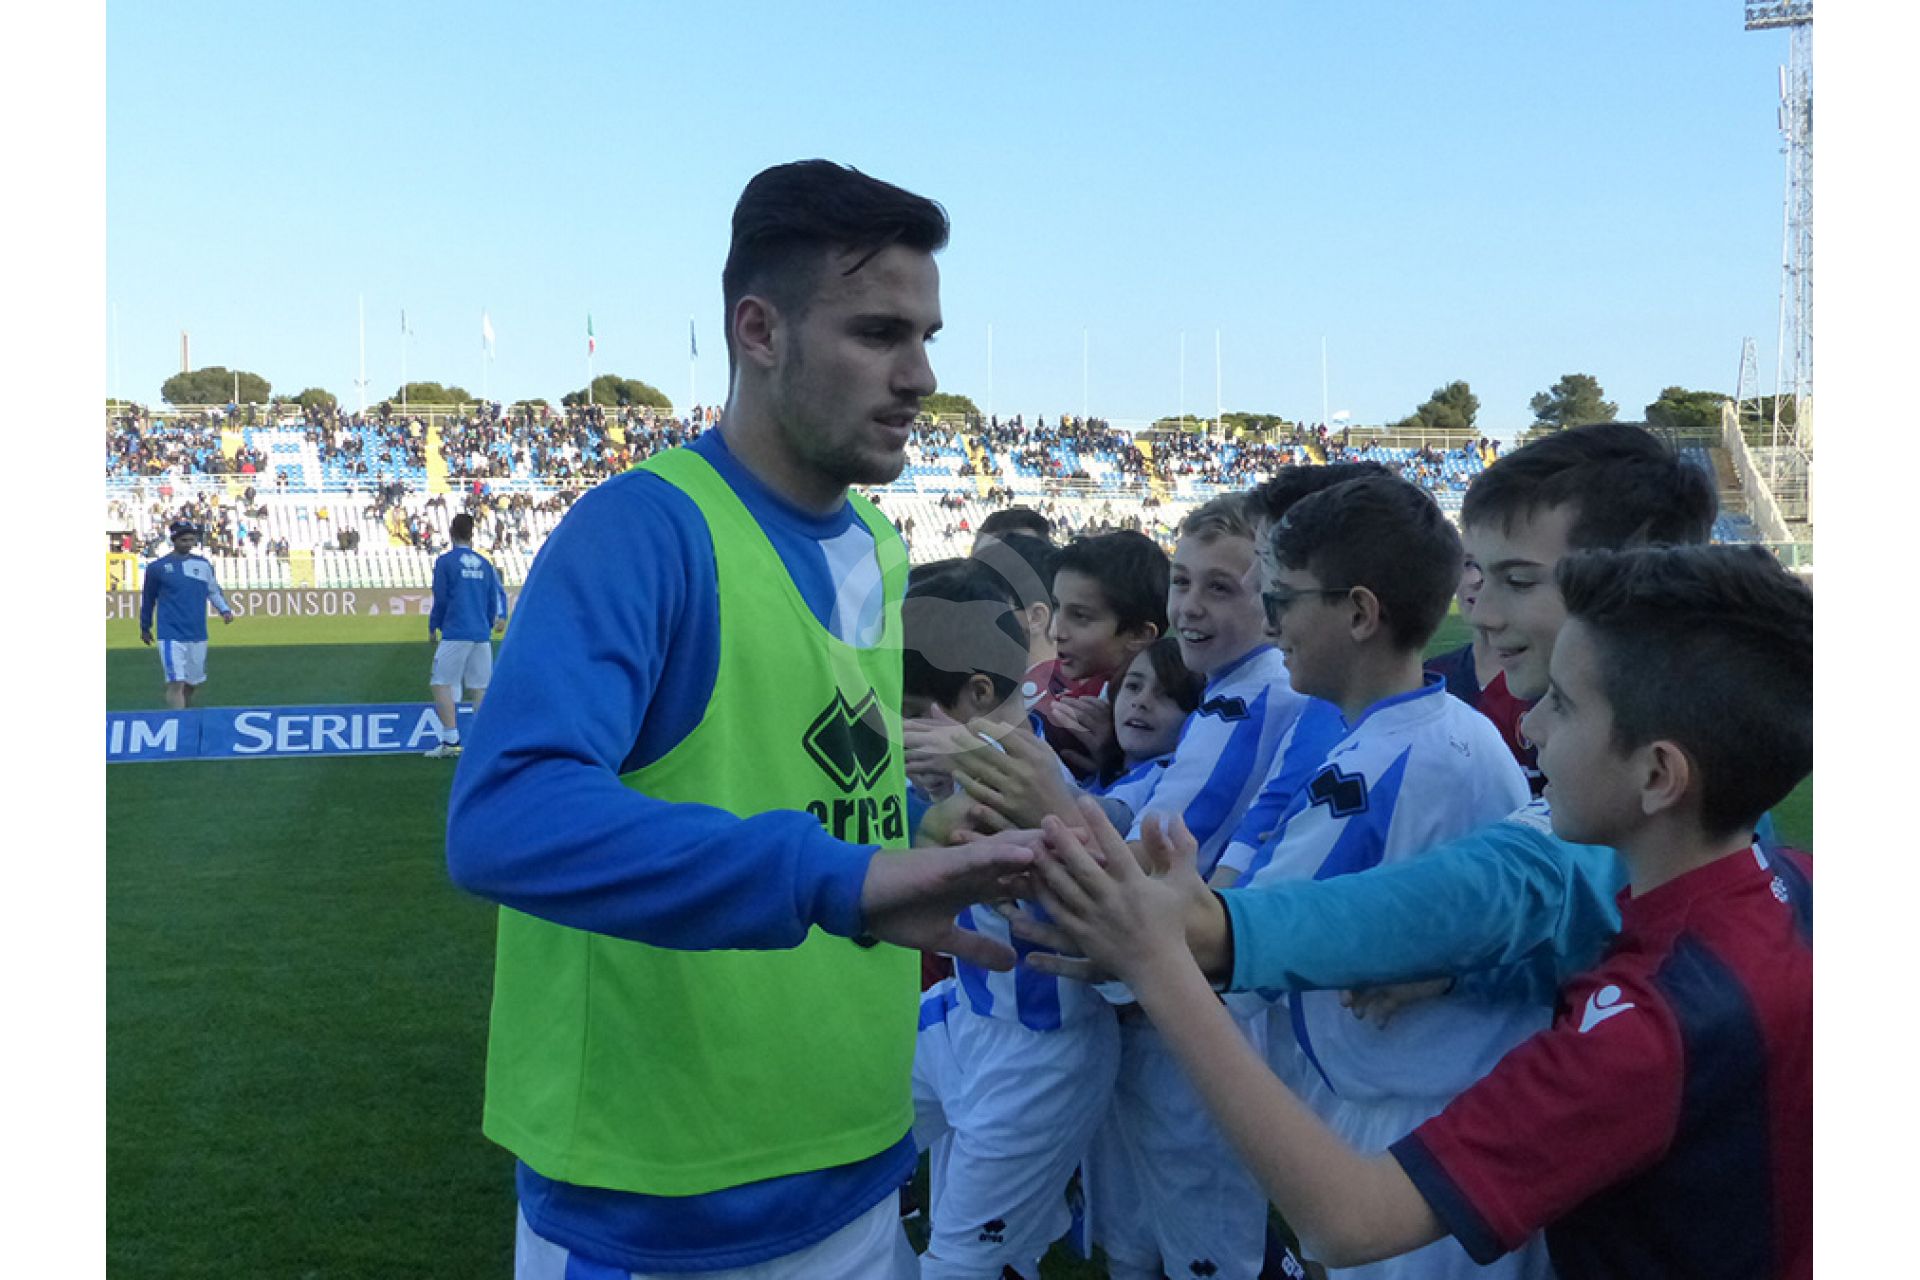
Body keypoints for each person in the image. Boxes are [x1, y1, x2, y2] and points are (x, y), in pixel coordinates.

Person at [445, 160, 1038, 1280]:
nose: (921, 376)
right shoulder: (644, 531)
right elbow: (504, 817)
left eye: (927, 337)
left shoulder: (878, 542)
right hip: (661, 1203)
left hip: (857, 1159)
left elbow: (820, 776)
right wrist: (839, 879)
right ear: (758, 330)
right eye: (878, 333)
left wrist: (919, 833)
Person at [1028, 543, 1812, 1278]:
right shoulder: (1792, 885)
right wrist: (1457, 970)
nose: (1530, 724)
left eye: (1564, 705)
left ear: (1659, 776)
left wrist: (1162, 968)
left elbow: (1351, 1218)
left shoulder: (1644, 1032)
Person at [1224, 474, 1544, 1280]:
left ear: (1361, 614)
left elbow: (1240, 947)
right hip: (1453, 1104)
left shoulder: (1381, 765)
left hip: (1415, 1118)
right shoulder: (1448, 728)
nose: (1270, 623)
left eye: (1283, 599)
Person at [424, 512, 508, 758]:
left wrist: (433, 625)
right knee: (479, 687)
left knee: (440, 682)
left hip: (456, 631)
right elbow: (493, 598)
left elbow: (441, 598)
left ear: (451, 532)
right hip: (481, 634)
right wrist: (490, 622)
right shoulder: (484, 563)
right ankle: (483, 743)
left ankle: (451, 739)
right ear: (472, 534)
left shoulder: (445, 562)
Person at [138, 519, 233, 709]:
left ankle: (186, 717)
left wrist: (224, 609)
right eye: (184, 540)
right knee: (176, 682)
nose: (188, 544)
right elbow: (148, 599)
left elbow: (213, 590)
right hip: (170, 633)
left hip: (197, 633)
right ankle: (178, 721)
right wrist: (145, 627)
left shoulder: (203, 565)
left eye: (191, 540)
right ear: (174, 540)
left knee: (192, 683)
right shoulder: (157, 568)